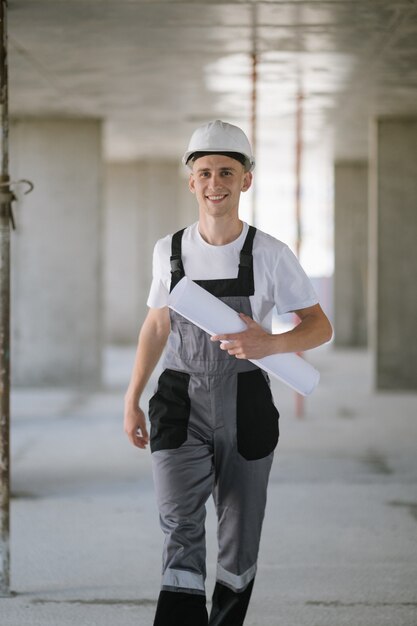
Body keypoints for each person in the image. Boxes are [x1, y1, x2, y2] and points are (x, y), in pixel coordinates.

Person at [124, 119, 332, 626]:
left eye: (226, 172)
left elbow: (319, 327)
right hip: (177, 398)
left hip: (246, 402)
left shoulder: (271, 254)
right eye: (205, 173)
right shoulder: (168, 251)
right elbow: (156, 325)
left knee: (239, 538)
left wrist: (271, 341)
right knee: (179, 525)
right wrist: (131, 397)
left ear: (246, 180)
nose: (214, 183)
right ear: (190, 181)